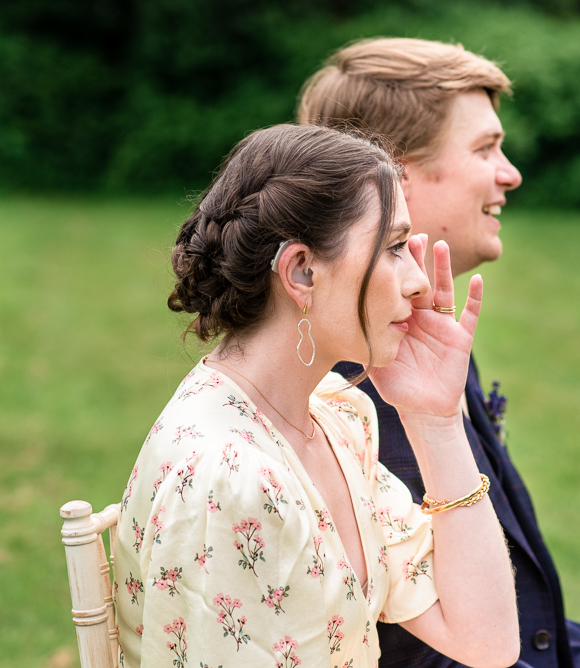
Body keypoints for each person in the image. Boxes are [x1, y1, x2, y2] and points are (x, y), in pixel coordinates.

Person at [113, 124, 521, 668]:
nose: (419, 281)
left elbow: (486, 643)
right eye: (396, 247)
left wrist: (435, 420)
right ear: (301, 271)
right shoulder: (231, 478)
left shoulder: (334, 417)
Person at [298, 38, 580, 668]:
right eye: (485, 149)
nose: (511, 173)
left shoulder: (414, 333)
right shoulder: (351, 378)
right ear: (390, 177)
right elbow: (412, 644)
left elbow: (533, 617)